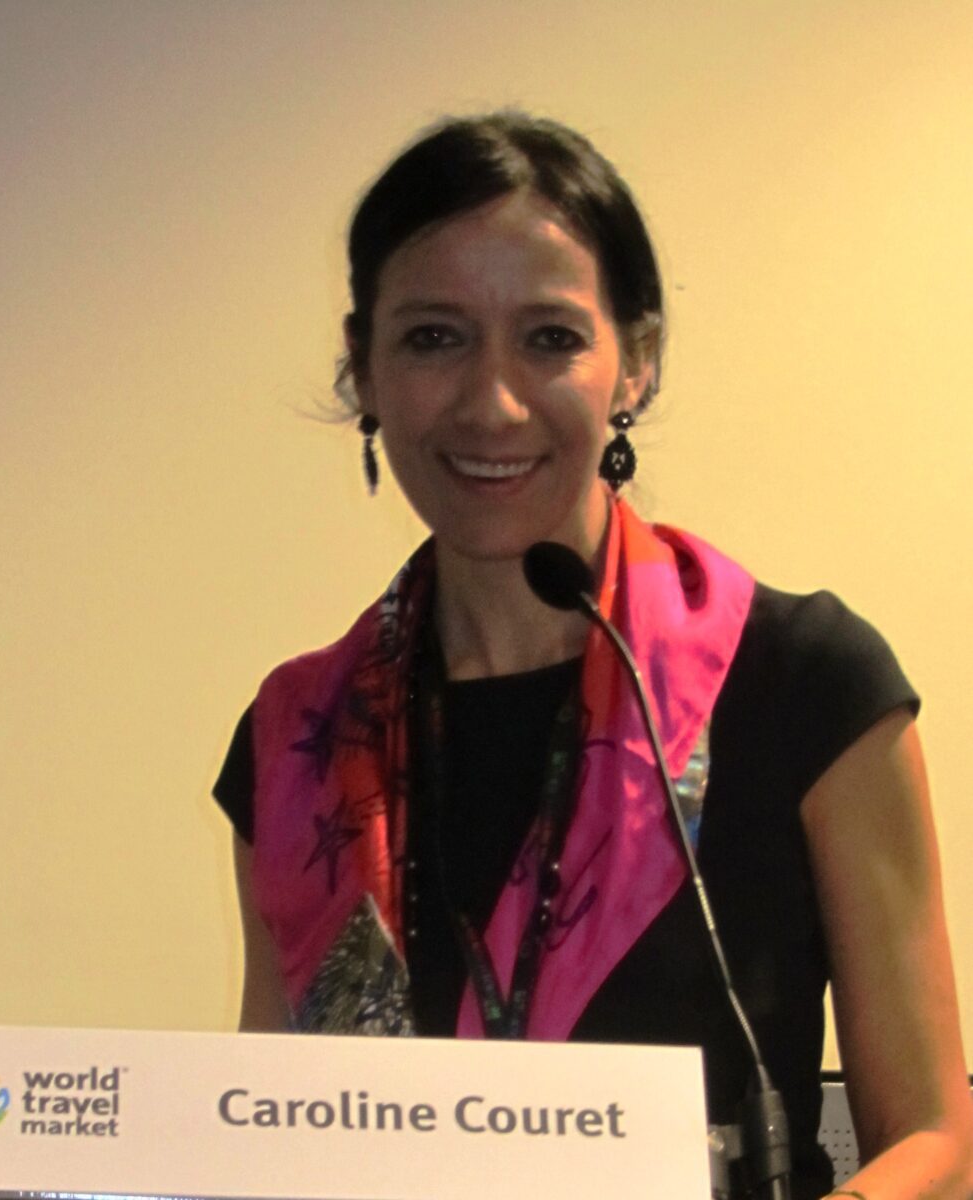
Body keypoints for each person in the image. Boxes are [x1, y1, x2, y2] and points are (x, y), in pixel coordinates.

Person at [213, 112, 973, 1199]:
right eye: (432, 338)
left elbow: (936, 1141)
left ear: (636, 364)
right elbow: (265, 1137)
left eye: (550, 338)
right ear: (363, 368)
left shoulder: (805, 685)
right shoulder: (297, 739)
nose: (492, 403)